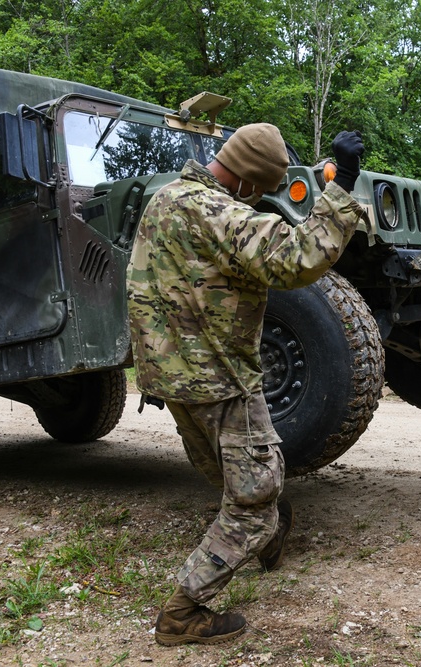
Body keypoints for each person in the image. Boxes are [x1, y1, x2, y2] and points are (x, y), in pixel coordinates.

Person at [127, 123, 365, 646]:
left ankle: (268, 534)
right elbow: (299, 257)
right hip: (220, 379)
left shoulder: (165, 198)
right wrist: (342, 183)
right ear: (244, 180)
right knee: (254, 497)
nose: (258, 198)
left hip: (171, 376)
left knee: (228, 469)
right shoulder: (225, 214)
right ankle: (184, 611)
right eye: (259, 189)